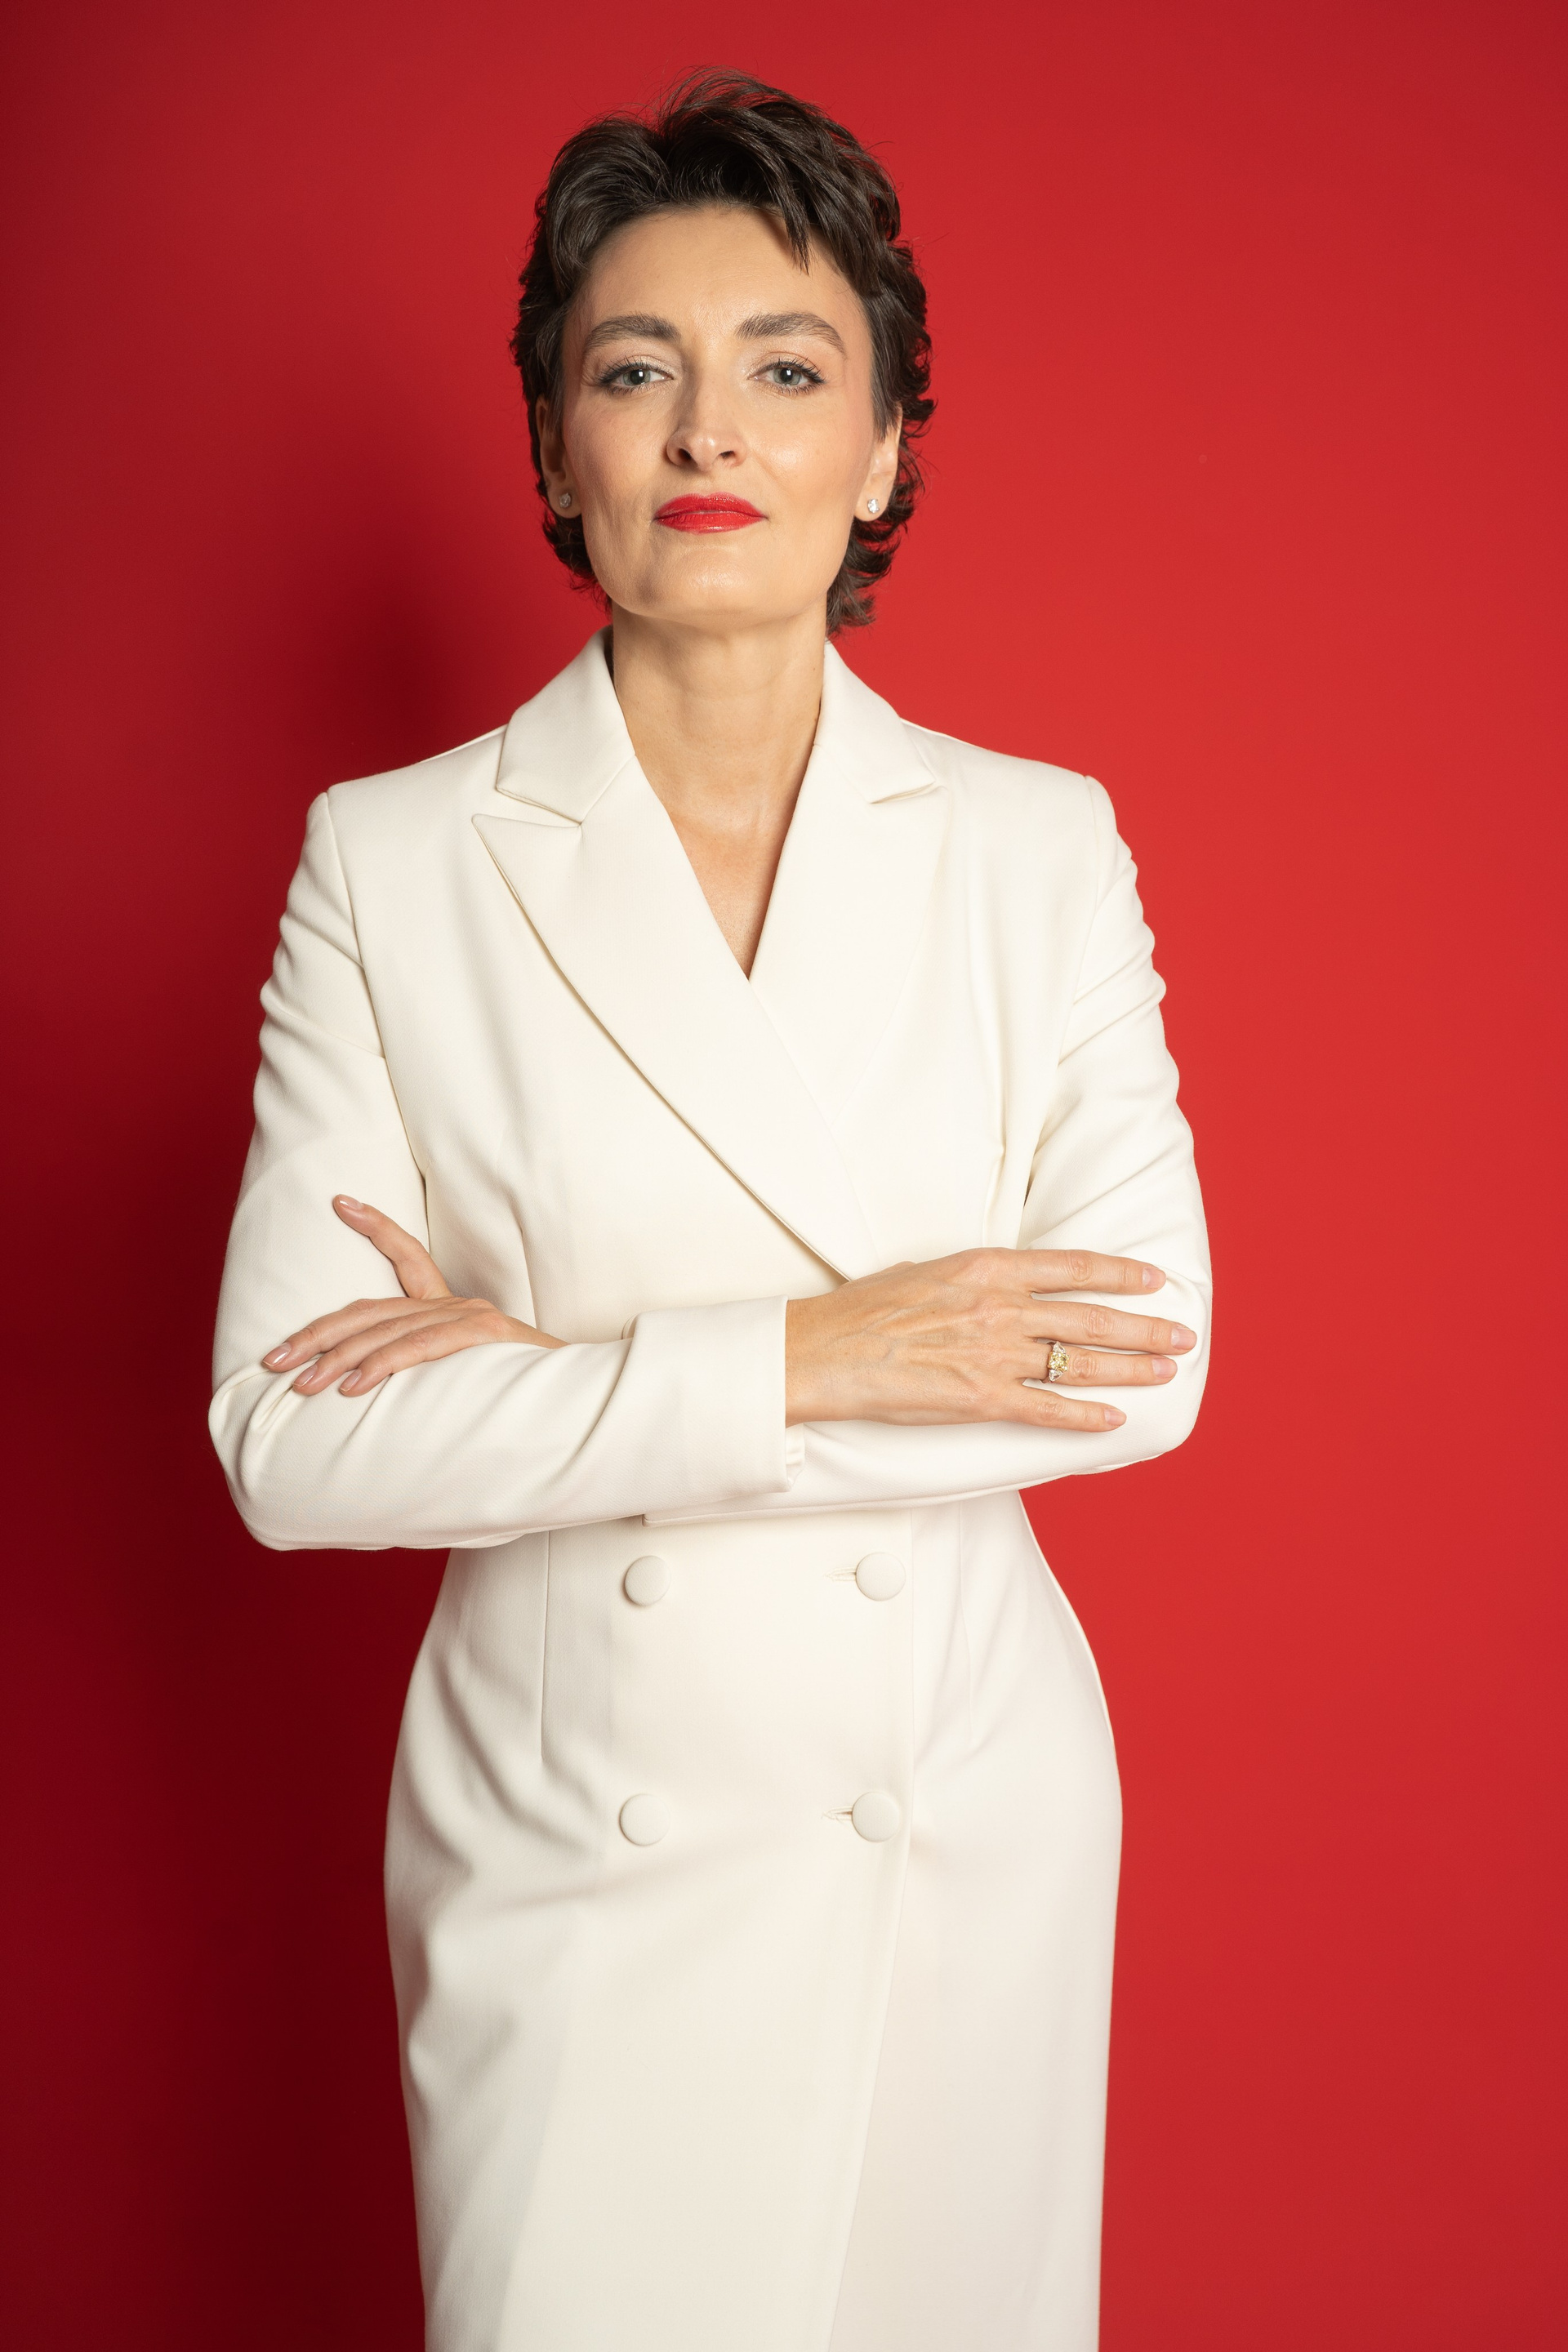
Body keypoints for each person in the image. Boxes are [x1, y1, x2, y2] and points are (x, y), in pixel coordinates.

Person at [210, 71, 1210, 2352]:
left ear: (884, 448)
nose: (707, 427)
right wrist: (831, 1350)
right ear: (554, 443)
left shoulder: (1035, 847)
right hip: (582, 1838)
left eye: (787, 365)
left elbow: (1143, 1364)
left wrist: (557, 1383)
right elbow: (290, 1446)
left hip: (948, 1816)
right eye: (633, 366)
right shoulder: (396, 859)